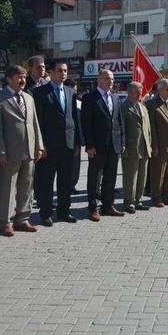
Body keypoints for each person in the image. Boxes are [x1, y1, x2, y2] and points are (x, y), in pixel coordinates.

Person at [0, 65, 44, 236]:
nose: (22, 80)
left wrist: (39, 146)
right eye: (19, 77)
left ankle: (22, 218)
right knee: (7, 187)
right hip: (9, 152)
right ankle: (5, 221)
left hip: (29, 150)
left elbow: (34, 123)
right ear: (8, 79)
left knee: (26, 186)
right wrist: (0, 151)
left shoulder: (28, 97)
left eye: (24, 77)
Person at [32, 60, 81, 226]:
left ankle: (64, 212)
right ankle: (45, 213)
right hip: (49, 147)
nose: (63, 74)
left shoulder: (69, 92)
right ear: (51, 72)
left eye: (65, 71)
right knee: (46, 181)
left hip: (67, 145)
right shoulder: (39, 93)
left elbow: (74, 119)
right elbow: (37, 121)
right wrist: (41, 145)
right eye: (60, 71)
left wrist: (76, 143)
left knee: (65, 181)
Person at [81, 69, 126, 221]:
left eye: (112, 79)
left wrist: (122, 142)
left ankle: (108, 205)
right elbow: (86, 124)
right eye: (107, 78)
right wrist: (89, 145)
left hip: (114, 145)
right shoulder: (90, 98)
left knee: (110, 176)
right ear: (99, 79)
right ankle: (93, 207)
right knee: (94, 177)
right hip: (97, 146)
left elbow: (119, 122)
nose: (110, 81)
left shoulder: (114, 97)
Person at [147, 78, 168, 207]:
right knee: (158, 174)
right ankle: (156, 198)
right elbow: (152, 127)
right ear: (160, 89)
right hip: (160, 146)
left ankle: (167, 196)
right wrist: (154, 145)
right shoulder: (151, 104)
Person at [120, 82, 152, 213]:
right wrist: (123, 146)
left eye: (140, 91)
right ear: (129, 92)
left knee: (142, 176)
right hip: (130, 147)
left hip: (144, 146)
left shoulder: (142, 106)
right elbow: (121, 127)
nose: (140, 93)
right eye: (137, 91)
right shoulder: (123, 106)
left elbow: (148, 128)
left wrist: (150, 144)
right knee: (130, 177)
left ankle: (138, 200)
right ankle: (129, 202)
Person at [65, 79, 83, 194]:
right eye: (72, 89)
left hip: (77, 138)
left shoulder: (79, 102)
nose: (74, 92)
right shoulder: (63, 100)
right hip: (65, 138)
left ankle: (72, 185)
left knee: (76, 164)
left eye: (75, 90)